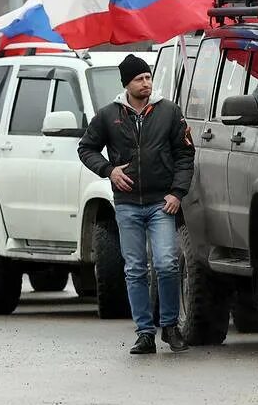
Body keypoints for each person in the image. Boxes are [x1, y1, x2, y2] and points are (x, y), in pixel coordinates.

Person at [78, 54, 195, 354]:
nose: (146, 83)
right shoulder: (109, 115)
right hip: (128, 204)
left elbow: (185, 154)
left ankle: (169, 325)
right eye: (139, 79)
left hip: (161, 203)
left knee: (167, 263)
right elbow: (86, 147)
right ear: (126, 84)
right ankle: (144, 332)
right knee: (135, 269)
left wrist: (177, 192)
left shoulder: (169, 112)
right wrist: (109, 170)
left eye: (148, 77)